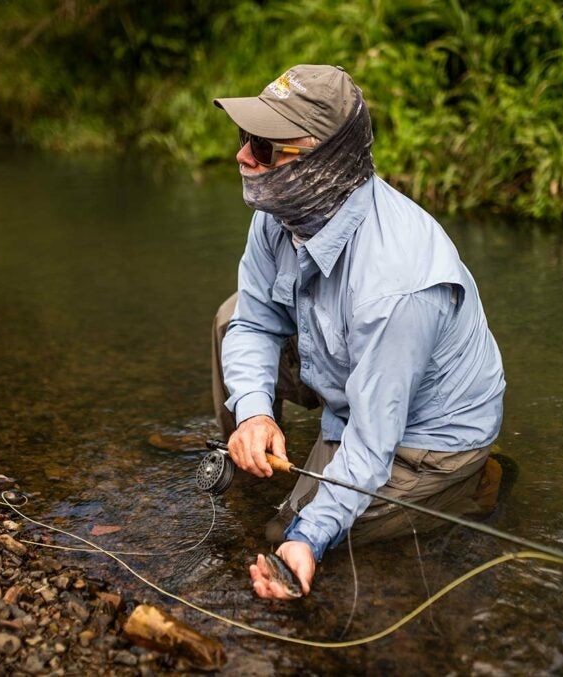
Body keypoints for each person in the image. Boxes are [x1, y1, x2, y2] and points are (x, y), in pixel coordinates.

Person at [211, 65, 506, 600]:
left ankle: (471, 486)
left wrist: (308, 537)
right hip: (350, 370)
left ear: (324, 164)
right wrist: (253, 410)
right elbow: (254, 319)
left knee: (286, 537)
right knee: (231, 315)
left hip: (423, 438)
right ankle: (244, 448)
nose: (244, 156)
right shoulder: (281, 210)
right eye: (245, 137)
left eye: (265, 146)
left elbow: (372, 441)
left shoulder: (396, 284)